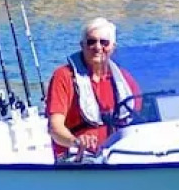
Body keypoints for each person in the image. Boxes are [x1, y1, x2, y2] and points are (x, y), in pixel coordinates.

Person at [45, 17, 140, 160]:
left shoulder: (125, 79)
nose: (97, 47)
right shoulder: (63, 76)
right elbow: (55, 128)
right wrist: (76, 142)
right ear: (82, 45)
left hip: (117, 154)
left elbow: (141, 120)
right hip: (77, 159)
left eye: (104, 42)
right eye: (91, 42)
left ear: (113, 47)